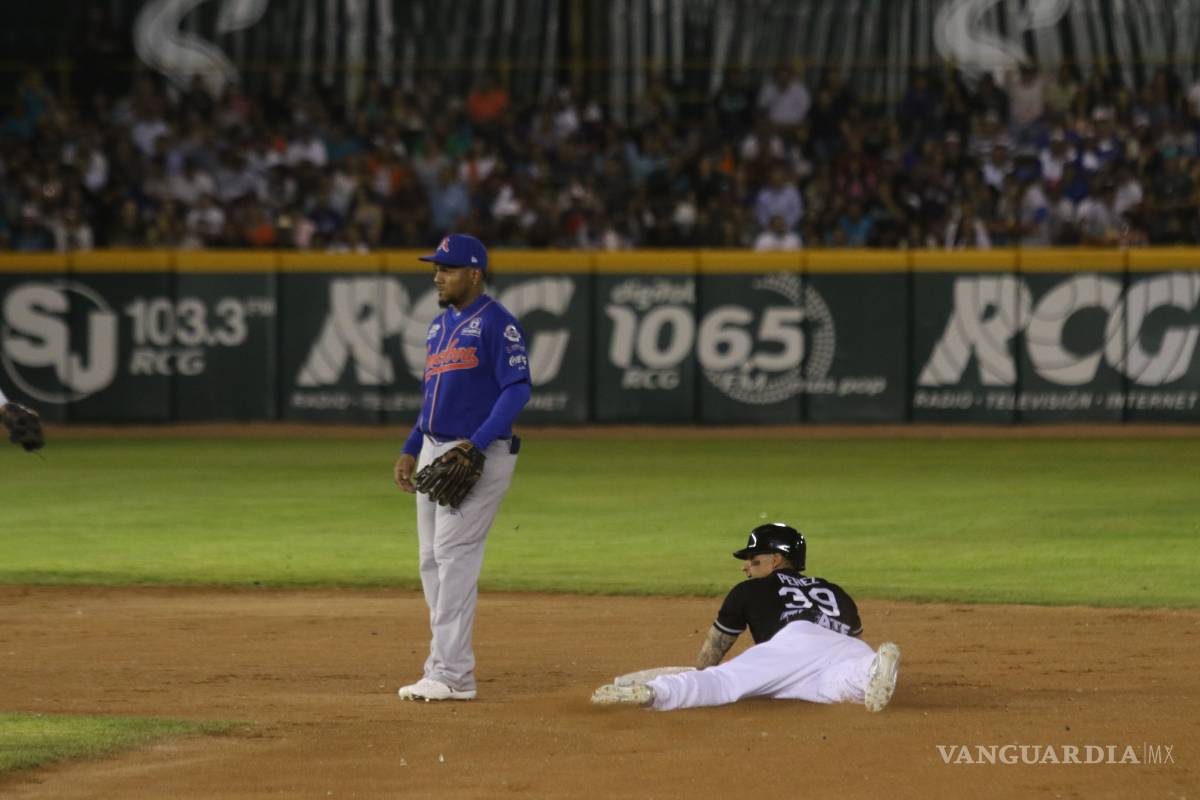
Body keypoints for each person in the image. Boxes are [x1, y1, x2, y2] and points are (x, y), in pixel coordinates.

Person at [393, 233, 531, 702]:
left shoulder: (497, 323)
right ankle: (445, 662)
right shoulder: (438, 326)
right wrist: (412, 446)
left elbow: (517, 388)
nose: (437, 276)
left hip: (477, 452)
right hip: (436, 448)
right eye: (436, 268)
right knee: (431, 560)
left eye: (447, 269)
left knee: (454, 558)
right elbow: (431, 396)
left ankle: (451, 673)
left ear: (474, 273)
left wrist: (476, 443)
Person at [591, 523, 901, 712]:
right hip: (851, 649)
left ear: (775, 559)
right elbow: (851, 637)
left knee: (724, 682)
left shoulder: (750, 589)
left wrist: (699, 673)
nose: (746, 568)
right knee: (835, 685)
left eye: (753, 560)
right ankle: (871, 669)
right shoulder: (834, 589)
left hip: (793, 644)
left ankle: (655, 693)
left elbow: (716, 647)